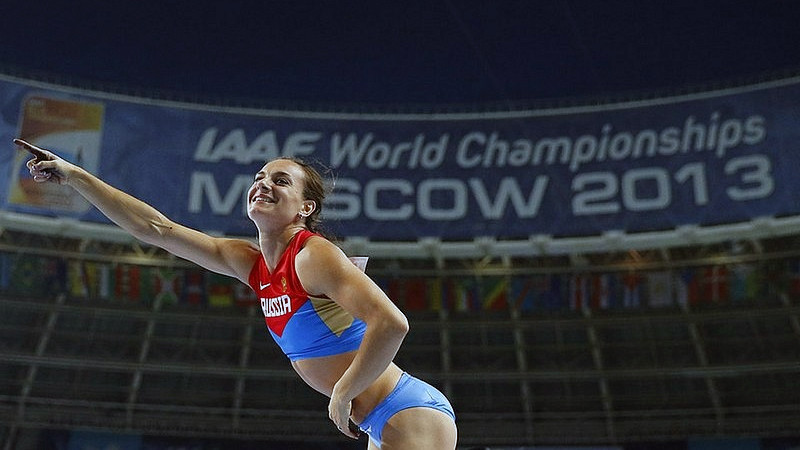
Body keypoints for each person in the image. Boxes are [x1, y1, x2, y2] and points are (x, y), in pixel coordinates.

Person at [16, 138, 457, 449]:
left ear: (306, 208)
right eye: (260, 176)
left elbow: (392, 323)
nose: (263, 183)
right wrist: (75, 176)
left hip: (405, 410)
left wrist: (342, 393)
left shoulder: (312, 256)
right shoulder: (251, 264)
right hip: (380, 419)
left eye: (281, 181)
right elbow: (157, 229)